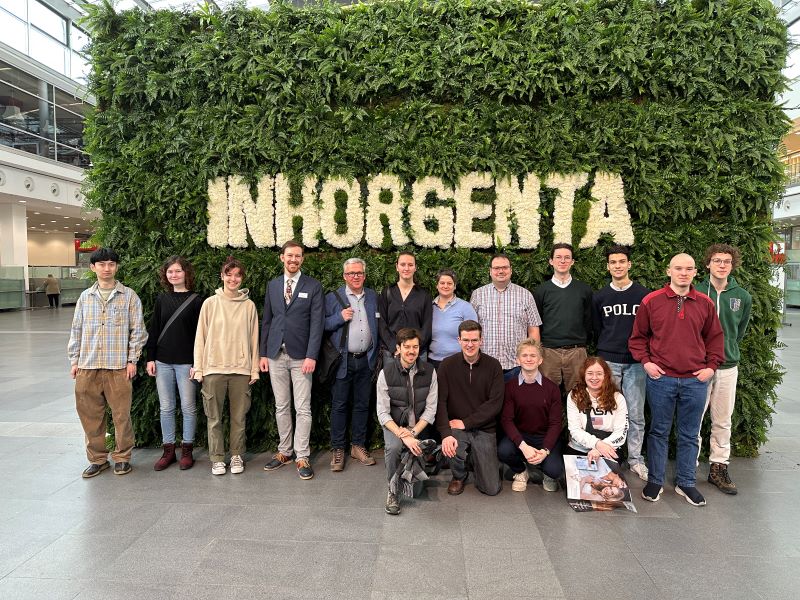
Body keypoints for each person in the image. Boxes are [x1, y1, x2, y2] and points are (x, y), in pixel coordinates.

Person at [629, 253, 724, 506]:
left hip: (695, 380)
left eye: (689, 269)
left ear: (695, 272)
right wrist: (646, 362)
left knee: (690, 434)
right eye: (678, 268)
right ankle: (655, 481)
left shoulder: (705, 303)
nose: (683, 273)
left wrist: (711, 368)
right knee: (658, 431)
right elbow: (638, 337)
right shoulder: (651, 301)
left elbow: (715, 339)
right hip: (662, 379)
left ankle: (686, 483)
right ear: (668, 271)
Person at [68, 248, 147, 478]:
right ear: (93, 267)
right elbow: (76, 330)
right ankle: (98, 459)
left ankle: (122, 458)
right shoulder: (85, 297)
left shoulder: (129, 296)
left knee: (121, 416)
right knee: (90, 416)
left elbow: (138, 331)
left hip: (118, 367)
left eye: (111, 264)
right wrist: (74, 360)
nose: (106, 268)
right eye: (101, 264)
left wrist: (132, 359)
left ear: (116, 267)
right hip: (87, 366)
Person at [260, 240, 324, 480]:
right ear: (282, 257)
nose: (293, 260)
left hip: (301, 358)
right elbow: (267, 321)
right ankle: (285, 451)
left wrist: (311, 355)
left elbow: (317, 324)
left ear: (302, 259)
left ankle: (302, 455)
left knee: (303, 408)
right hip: (276, 355)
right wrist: (263, 353)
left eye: (297, 256)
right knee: (281, 406)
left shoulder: (313, 286)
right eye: (290, 255)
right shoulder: (273, 285)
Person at [193, 256, 260, 476]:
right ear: (222, 276)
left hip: (241, 370)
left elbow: (254, 339)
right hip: (213, 369)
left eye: (237, 275)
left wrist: (254, 369)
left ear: (242, 278)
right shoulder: (210, 304)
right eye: (229, 274)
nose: (233, 279)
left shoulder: (249, 306)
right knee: (214, 419)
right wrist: (199, 368)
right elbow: (200, 337)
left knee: (239, 418)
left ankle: (237, 455)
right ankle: (217, 458)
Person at [698, 244, 752, 495]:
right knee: (693, 419)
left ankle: (718, 467)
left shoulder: (742, 296)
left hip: (727, 365)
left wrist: (726, 349)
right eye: (717, 260)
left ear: (732, 265)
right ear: (708, 264)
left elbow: (739, 331)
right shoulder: (696, 292)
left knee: (722, 420)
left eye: (727, 261)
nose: (722, 265)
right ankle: (688, 467)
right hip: (698, 366)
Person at [591, 246, 648, 480]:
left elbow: (649, 330)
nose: (617, 266)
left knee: (635, 414)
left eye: (622, 261)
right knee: (606, 413)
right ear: (608, 266)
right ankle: (609, 456)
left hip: (636, 363)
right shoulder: (600, 297)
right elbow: (596, 328)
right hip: (608, 361)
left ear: (629, 264)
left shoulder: (644, 295)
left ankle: (635, 460)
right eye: (613, 262)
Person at [145, 256, 204, 471]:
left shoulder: (197, 301)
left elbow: (201, 335)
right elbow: (154, 329)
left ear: (186, 273)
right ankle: (168, 450)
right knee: (166, 407)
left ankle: (187, 449)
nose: (174, 275)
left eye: (178, 271)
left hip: (187, 363)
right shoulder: (162, 299)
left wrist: (198, 363)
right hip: (162, 362)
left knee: (188, 407)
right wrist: (150, 358)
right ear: (165, 275)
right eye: (170, 271)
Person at [436, 320, 504, 496]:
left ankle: (475, 459)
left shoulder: (494, 366)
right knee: (451, 443)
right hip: (457, 428)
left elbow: (495, 404)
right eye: (466, 340)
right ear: (459, 340)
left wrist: (467, 422)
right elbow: (440, 402)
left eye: (474, 340)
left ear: (481, 340)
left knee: (491, 489)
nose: (470, 344)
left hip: (484, 428)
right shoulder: (446, 365)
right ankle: (459, 475)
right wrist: (445, 434)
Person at [324, 257, 380, 472]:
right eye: (351, 273)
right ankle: (338, 449)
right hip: (343, 361)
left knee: (362, 404)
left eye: (359, 273)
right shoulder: (333, 298)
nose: (355, 276)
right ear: (344, 276)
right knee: (339, 405)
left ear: (364, 275)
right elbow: (321, 325)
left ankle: (358, 446)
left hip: (366, 360)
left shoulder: (373, 296)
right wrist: (339, 318)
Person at [376, 328, 438, 515]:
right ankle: (392, 491)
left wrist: (412, 434)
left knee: (416, 491)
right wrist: (402, 434)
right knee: (394, 447)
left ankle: (414, 456)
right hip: (394, 425)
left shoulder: (430, 372)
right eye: (407, 347)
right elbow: (382, 412)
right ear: (398, 348)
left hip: (417, 428)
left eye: (415, 347)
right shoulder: (386, 373)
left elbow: (431, 410)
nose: (411, 351)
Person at [498, 338, 564, 493]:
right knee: (503, 451)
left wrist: (545, 450)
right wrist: (524, 447)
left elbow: (556, 423)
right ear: (518, 360)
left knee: (555, 470)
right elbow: (507, 420)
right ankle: (521, 471)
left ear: (540, 360)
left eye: (533, 355)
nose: (529, 359)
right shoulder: (510, 387)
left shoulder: (552, 388)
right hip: (521, 435)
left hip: (544, 436)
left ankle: (546, 472)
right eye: (525, 355)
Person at [470, 254, 541, 381]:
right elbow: (471, 329)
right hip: (485, 365)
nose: (501, 271)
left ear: (511, 270)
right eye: (496, 268)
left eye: (505, 267)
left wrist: (531, 359)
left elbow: (533, 330)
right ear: (490, 271)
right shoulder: (478, 295)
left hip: (517, 366)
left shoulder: (526, 295)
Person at [534, 243, 593, 393]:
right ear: (551, 261)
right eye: (558, 257)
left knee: (579, 395)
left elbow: (589, 320)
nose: (562, 261)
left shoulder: (584, 290)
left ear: (572, 262)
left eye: (567, 257)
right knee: (546, 395)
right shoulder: (541, 291)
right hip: (549, 352)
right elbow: (537, 322)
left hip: (576, 352)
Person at [566, 357, 629, 463]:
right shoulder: (575, 395)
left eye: (599, 373)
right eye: (590, 373)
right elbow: (574, 429)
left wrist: (600, 449)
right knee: (575, 473)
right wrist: (597, 444)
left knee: (607, 473)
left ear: (605, 375)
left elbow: (621, 432)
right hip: (579, 448)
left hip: (608, 447)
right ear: (584, 375)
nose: (594, 378)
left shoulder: (618, 398)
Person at [378, 251, 432, 361]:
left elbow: (427, 326)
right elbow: (382, 323)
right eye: (403, 264)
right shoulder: (387, 292)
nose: (406, 268)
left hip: (417, 354)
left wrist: (414, 348)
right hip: (392, 353)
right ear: (397, 267)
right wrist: (394, 347)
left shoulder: (424, 295)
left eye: (410, 265)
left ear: (415, 268)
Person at [429, 268, 477, 368]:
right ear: (437, 285)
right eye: (442, 283)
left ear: (454, 286)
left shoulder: (465, 307)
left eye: (449, 283)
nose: (445, 286)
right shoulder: (429, 307)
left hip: (458, 361)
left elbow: (474, 335)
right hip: (433, 361)